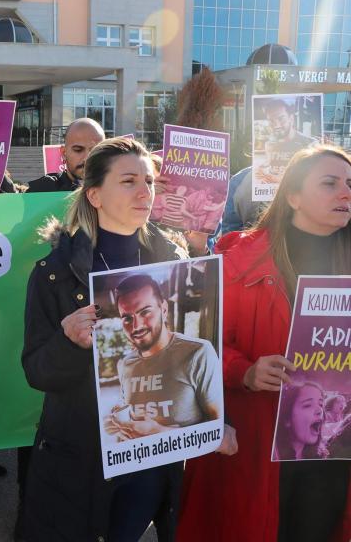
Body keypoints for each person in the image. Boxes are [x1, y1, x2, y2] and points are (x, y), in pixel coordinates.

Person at [178, 144, 351, 542]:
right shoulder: (240, 258)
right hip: (258, 445)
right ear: (292, 196)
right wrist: (247, 371)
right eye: (329, 183)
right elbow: (199, 344)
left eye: (349, 183)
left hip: (334, 451)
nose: (345, 192)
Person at [21, 137, 185, 542]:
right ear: (94, 194)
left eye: (148, 180)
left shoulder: (177, 265)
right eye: (128, 180)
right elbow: (36, 370)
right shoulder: (54, 273)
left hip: (152, 454)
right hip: (80, 455)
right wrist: (69, 343)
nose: (144, 190)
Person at [102, 274, 221, 441]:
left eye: (145, 312)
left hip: (181, 467)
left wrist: (162, 434)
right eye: (127, 318)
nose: (136, 326)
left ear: (163, 310)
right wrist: (116, 421)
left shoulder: (198, 352)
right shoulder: (125, 364)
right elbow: (131, 409)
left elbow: (223, 436)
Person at [26, 118, 105, 193]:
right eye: (78, 150)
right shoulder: (42, 190)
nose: (86, 158)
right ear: (64, 153)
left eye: (95, 151)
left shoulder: (115, 189)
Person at [256, 99, 318, 187]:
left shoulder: (311, 144)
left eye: (281, 118)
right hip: (275, 194)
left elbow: (316, 175)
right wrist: (261, 171)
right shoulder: (269, 145)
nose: (276, 125)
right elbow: (269, 166)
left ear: (291, 118)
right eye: (271, 121)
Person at [274, 382, 326, 461]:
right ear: (287, 418)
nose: (320, 410)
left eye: (321, 404)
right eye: (307, 405)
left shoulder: (320, 455)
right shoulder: (274, 455)